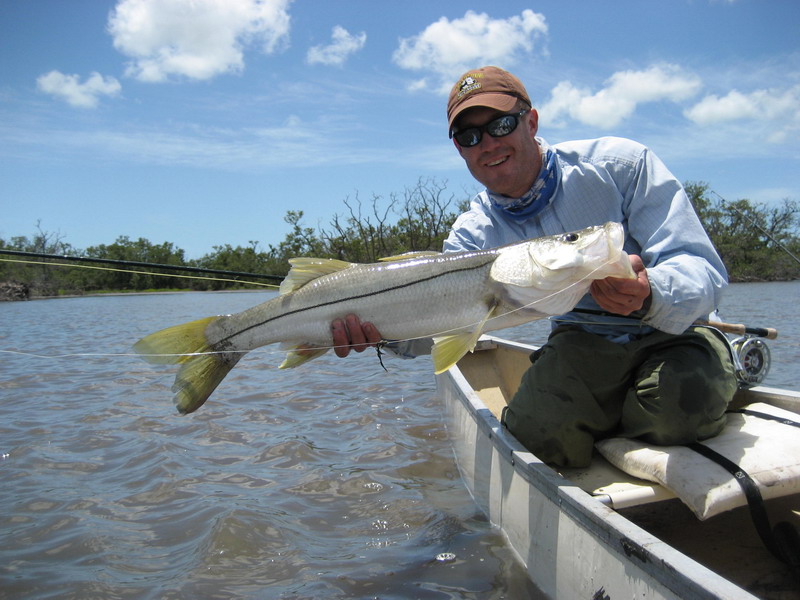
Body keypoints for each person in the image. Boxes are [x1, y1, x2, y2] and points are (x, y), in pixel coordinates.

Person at [330, 65, 737, 468]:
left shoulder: (622, 166)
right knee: (538, 436)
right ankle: (607, 414)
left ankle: (634, 406)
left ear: (531, 122)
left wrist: (651, 292)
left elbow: (703, 268)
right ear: (460, 150)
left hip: (679, 329)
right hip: (584, 342)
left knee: (677, 407)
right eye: (470, 136)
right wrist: (382, 334)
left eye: (501, 125)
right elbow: (440, 327)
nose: (488, 144)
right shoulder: (472, 236)